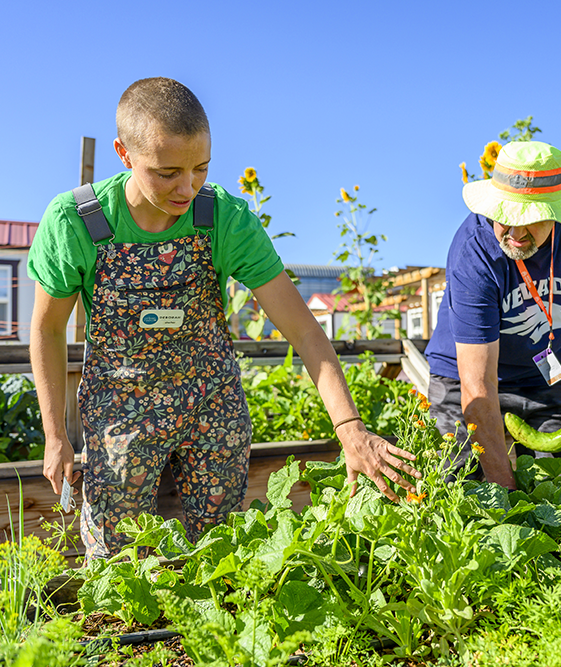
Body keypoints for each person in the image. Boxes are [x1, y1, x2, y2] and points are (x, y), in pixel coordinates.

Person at [28, 77, 419, 559]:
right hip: (120, 404)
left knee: (222, 549)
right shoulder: (78, 221)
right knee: (116, 558)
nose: (187, 188)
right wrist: (54, 436)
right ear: (123, 153)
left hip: (211, 402)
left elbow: (302, 328)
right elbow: (47, 329)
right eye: (167, 172)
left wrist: (350, 428)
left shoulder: (225, 219)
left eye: (201, 169)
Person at [425, 141, 561, 489]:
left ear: (558, 211)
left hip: (552, 376)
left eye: (532, 219)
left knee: (558, 489)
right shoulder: (473, 249)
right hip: (465, 380)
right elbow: (478, 385)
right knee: (465, 490)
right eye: (505, 218)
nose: (516, 234)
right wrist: (506, 492)